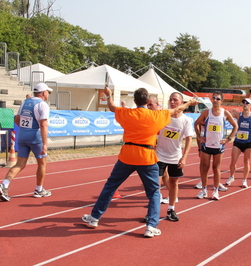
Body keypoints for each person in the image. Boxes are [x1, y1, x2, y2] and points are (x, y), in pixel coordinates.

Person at [81, 87, 198, 238]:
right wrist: (189, 103)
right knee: (154, 193)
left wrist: (109, 95)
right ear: (148, 101)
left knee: (110, 187)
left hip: (127, 156)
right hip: (146, 156)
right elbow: (177, 110)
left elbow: (111, 107)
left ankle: (95, 218)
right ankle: (151, 226)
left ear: (135, 101)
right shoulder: (157, 115)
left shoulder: (127, 113)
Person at [0, 83, 53, 202]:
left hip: (23, 136)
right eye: (48, 93)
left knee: (20, 164)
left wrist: (25, 130)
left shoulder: (24, 102)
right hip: (35, 137)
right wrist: (45, 143)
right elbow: (43, 124)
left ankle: (4, 184)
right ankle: (39, 189)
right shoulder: (43, 105)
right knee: (42, 163)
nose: (48, 95)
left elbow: (17, 120)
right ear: (44, 93)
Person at [156, 92, 193, 221]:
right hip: (159, 155)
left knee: (173, 183)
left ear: (181, 103)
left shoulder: (186, 120)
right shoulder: (165, 116)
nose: (172, 102)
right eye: (171, 100)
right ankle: (153, 211)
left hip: (175, 156)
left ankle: (171, 209)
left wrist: (184, 157)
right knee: (156, 184)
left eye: (175, 100)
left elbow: (189, 139)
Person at [194, 91, 238, 200]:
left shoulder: (225, 113)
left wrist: (228, 139)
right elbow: (196, 123)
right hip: (207, 145)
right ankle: (204, 190)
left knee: (216, 168)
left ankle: (215, 191)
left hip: (219, 146)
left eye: (218, 99)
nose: (215, 100)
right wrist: (199, 136)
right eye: (213, 98)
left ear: (221, 101)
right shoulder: (206, 112)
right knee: (204, 168)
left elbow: (235, 126)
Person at [226, 98, 251, 188]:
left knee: (246, 162)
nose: (244, 104)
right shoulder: (238, 115)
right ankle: (231, 176)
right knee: (233, 161)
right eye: (243, 103)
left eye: (247, 103)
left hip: (248, 143)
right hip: (238, 142)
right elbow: (227, 115)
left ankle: (244, 180)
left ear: (250, 105)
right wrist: (227, 112)